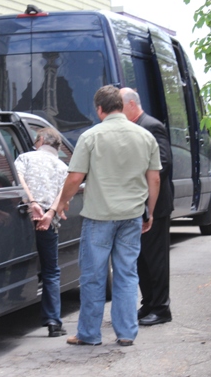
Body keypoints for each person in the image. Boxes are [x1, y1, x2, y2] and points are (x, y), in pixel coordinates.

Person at [56, 85, 162, 346]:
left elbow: (75, 177)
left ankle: (90, 334)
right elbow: (155, 178)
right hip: (132, 215)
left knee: (93, 276)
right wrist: (150, 212)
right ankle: (126, 333)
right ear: (122, 106)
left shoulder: (91, 136)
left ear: (99, 109)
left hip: (99, 216)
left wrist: (62, 201)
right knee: (127, 274)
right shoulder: (145, 136)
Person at [120, 87, 174, 326]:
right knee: (141, 259)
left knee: (156, 259)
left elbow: (163, 162)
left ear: (131, 104)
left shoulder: (151, 126)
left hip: (156, 205)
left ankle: (161, 309)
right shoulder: (133, 126)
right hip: (138, 205)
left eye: (119, 107)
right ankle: (149, 303)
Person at [14, 127, 68, 338]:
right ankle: (53, 322)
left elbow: (19, 180)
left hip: (21, 218)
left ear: (42, 140)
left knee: (17, 261)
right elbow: (64, 194)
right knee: (51, 270)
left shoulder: (25, 158)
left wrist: (32, 203)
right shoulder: (62, 166)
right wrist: (49, 213)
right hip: (48, 221)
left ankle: (13, 304)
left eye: (36, 139)